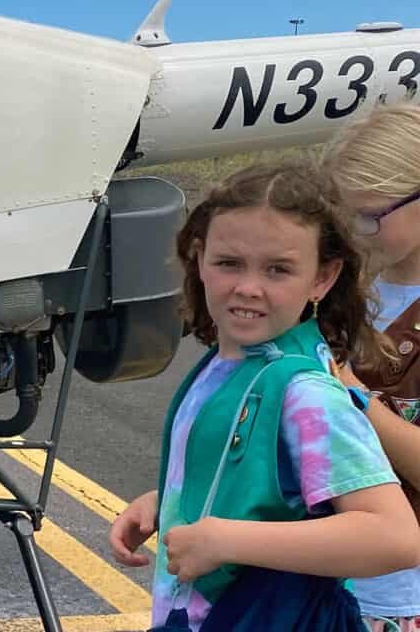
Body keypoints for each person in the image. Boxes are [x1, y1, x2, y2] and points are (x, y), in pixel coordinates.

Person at [108, 161, 419, 631]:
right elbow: (271, 486)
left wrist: (225, 540)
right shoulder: (230, 362)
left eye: (279, 270)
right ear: (199, 257)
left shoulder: (306, 394)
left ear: (323, 277)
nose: (248, 287)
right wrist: (173, 499)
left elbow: (394, 536)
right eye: (228, 263)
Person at [327, 105, 420, 632]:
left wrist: (352, 395)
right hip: (324, 576)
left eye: (368, 217)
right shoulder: (351, 290)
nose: (355, 233)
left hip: (398, 595)